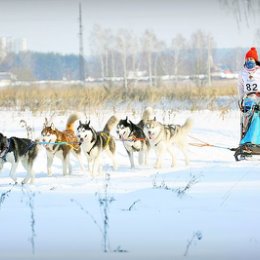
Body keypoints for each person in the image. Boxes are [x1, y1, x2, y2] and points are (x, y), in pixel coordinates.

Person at [237, 47, 260, 139]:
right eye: (248, 59)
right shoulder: (242, 73)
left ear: (255, 60)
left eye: (251, 59)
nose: (249, 61)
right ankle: (247, 139)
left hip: (259, 98)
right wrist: (240, 99)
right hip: (248, 99)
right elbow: (240, 87)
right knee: (248, 114)